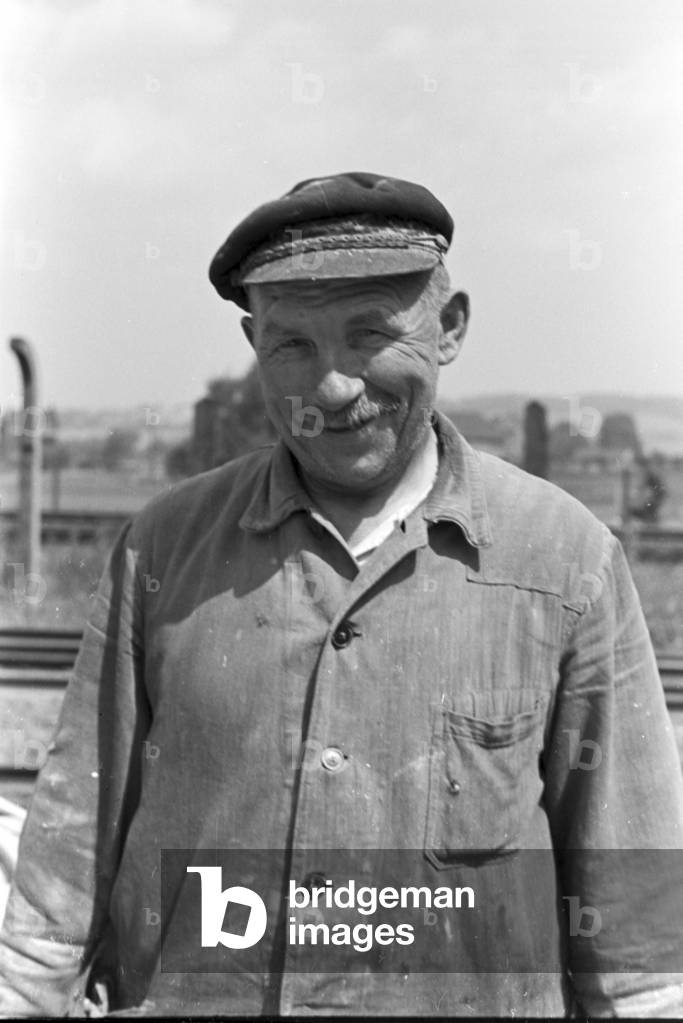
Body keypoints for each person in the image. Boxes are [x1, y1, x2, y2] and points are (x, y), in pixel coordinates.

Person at [0, 172, 682, 1018]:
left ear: (449, 328)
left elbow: (641, 956)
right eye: (293, 345)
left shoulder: (565, 562)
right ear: (254, 341)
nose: (332, 388)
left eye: (369, 334)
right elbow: (53, 895)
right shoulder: (161, 550)